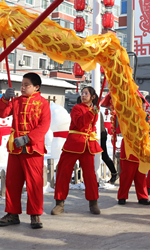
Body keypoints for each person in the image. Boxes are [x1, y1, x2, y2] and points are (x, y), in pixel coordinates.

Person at [0, 73, 51, 229]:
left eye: (27, 85)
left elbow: (43, 126)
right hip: (16, 148)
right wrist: (5, 98)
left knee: (34, 183)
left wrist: (28, 138)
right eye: (22, 84)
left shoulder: (43, 103)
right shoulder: (16, 101)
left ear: (36, 87)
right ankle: (12, 214)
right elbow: (1, 113)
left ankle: (35, 215)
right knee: (12, 182)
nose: (23, 87)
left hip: (33, 148)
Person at [52, 86, 103, 215]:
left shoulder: (94, 110)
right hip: (74, 143)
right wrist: (92, 113)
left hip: (87, 144)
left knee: (90, 176)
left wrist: (94, 113)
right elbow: (80, 123)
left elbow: (91, 126)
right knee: (63, 172)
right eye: (82, 93)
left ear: (93, 97)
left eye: (86, 93)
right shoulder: (76, 108)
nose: (83, 95)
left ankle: (93, 202)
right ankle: (59, 203)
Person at [116, 97, 150, 205]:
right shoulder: (126, 116)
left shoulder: (144, 118)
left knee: (141, 176)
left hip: (140, 150)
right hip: (129, 150)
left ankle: (143, 197)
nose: (142, 108)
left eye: (143, 106)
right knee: (126, 175)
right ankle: (122, 196)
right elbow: (119, 130)